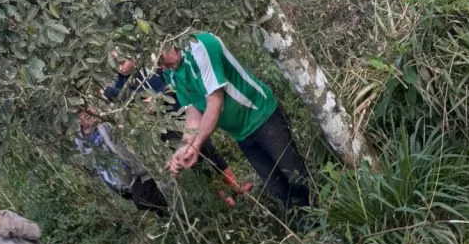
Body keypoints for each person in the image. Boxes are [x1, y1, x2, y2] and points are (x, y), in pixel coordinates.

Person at [158, 33, 312, 223]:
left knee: (295, 175)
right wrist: (185, 147)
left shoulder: (200, 47)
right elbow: (193, 114)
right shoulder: (169, 72)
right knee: (277, 186)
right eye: (157, 65)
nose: (161, 67)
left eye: (160, 59)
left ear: (166, 42)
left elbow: (215, 103)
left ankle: (330, 215)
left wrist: (196, 146)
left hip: (262, 117)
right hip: (240, 134)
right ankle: (309, 228)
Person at [103, 54, 248, 208]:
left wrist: (157, 97)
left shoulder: (150, 67)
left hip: (181, 113)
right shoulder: (123, 83)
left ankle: (235, 185)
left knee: (207, 147)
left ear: (132, 58)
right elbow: (121, 99)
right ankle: (222, 195)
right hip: (162, 127)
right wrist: (109, 91)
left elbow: (169, 81)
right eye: (117, 65)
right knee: (191, 160)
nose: (121, 68)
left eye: (122, 63)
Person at [75, 108, 168, 214]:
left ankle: (169, 206)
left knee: (145, 199)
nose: (88, 113)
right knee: (144, 201)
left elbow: (121, 116)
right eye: (82, 115)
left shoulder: (106, 125)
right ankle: (168, 211)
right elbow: (79, 143)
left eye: (87, 111)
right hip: (127, 184)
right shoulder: (85, 145)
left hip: (138, 172)